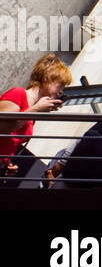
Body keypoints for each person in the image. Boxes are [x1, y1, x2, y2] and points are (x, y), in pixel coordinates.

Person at [0, 53, 72, 184]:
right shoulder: (18, 94)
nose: (61, 91)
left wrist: (7, 164)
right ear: (46, 78)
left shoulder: (33, 111)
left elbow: (10, 141)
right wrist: (36, 109)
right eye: (60, 85)